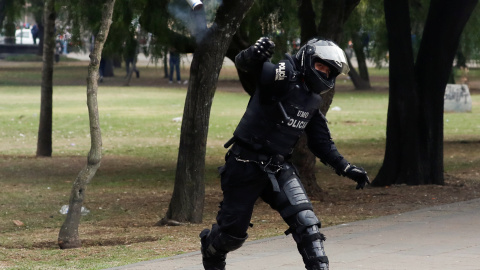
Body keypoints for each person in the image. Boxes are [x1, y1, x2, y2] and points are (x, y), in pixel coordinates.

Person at [199, 37, 370, 270]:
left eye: (330, 71)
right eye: (321, 66)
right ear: (308, 60)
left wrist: (347, 168)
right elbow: (247, 65)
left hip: (278, 167)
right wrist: (254, 53)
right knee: (231, 236)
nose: (324, 73)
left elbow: (322, 143)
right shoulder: (284, 75)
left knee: (308, 225)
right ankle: (211, 250)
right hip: (244, 164)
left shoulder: (312, 100)